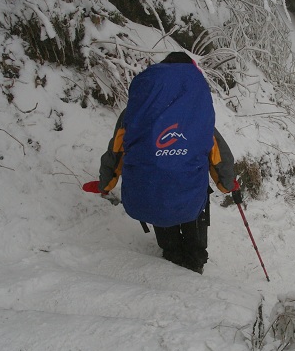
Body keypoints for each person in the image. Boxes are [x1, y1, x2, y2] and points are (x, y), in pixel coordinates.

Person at [83, 51, 243, 274]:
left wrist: (105, 183)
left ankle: (171, 256)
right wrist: (227, 183)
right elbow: (218, 152)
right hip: (190, 196)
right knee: (190, 198)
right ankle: (194, 263)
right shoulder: (195, 116)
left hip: (150, 194)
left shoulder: (135, 114)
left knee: (160, 198)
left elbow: (116, 150)